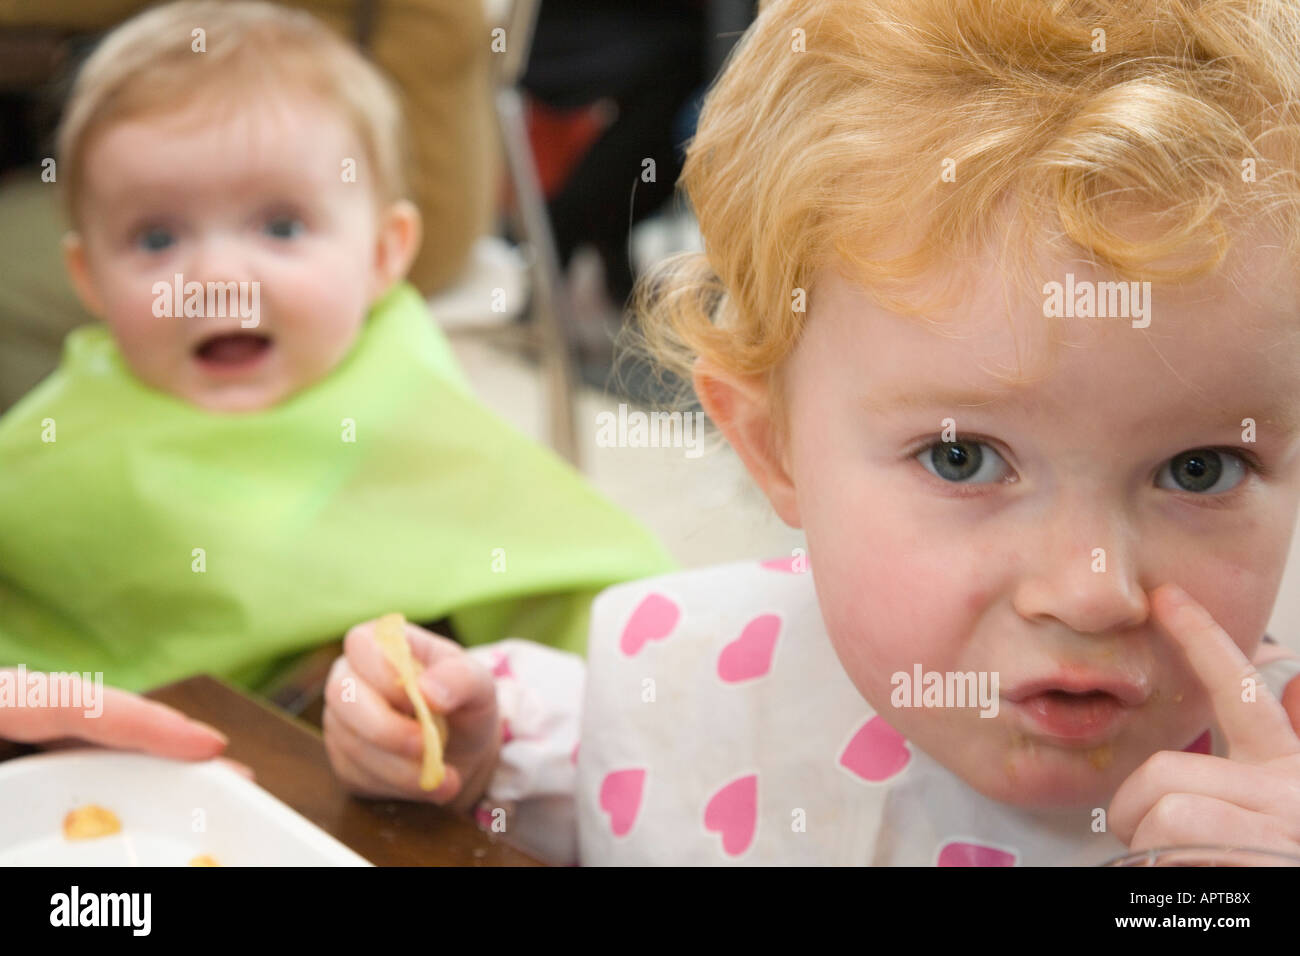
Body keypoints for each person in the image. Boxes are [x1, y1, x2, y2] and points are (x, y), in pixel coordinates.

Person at [324, 0, 1300, 864]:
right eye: (961, 456)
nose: (1091, 591)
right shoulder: (691, 677)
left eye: (1200, 467)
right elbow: (591, 759)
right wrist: (461, 747)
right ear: (768, 442)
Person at [0, 1, 674, 752]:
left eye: (280, 227)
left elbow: (589, 611)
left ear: (385, 254)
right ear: (89, 278)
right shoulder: (65, 420)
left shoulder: (406, 410)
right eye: (156, 238)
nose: (217, 277)